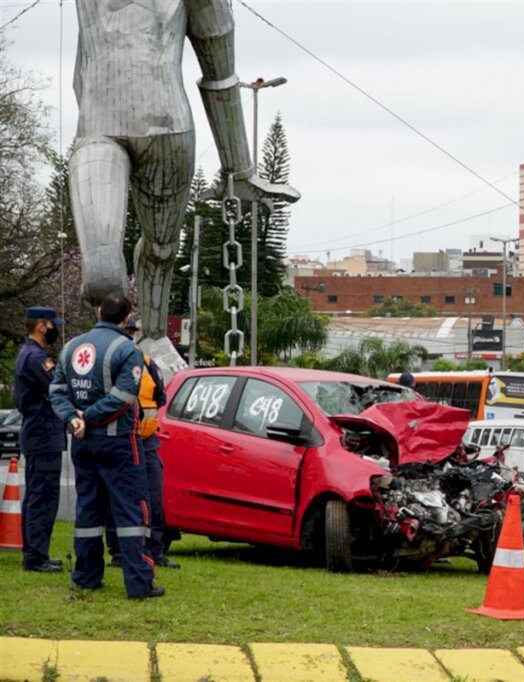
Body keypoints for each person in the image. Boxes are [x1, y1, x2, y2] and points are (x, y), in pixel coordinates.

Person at [70, 1, 298, 372]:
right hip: (99, 130)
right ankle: (107, 356)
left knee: (161, 248)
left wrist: (238, 169)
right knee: (103, 274)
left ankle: (155, 336)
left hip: (170, 132)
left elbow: (220, 75)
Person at [50, 293, 163, 600]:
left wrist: (73, 418)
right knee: (130, 512)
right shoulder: (127, 350)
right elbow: (123, 397)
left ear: (99, 311)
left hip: (82, 441)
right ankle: (139, 582)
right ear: (126, 319)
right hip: (119, 444)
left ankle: (86, 576)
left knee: (88, 510)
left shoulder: (71, 347)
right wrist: (89, 415)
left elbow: (57, 390)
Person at [105, 320, 179, 570]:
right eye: (126, 333)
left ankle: (154, 549)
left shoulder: (148, 364)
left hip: (147, 441)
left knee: (154, 497)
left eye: (132, 334)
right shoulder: (112, 365)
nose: (129, 338)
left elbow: (160, 397)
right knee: (119, 497)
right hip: (121, 439)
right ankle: (118, 552)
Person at [13, 307, 66, 573]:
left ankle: (35, 553)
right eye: (52, 325)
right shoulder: (36, 357)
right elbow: (58, 386)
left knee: (38, 494)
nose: (56, 329)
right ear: (42, 326)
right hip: (43, 433)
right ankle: (35, 557)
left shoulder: (29, 355)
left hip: (40, 432)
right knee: (43, 496)